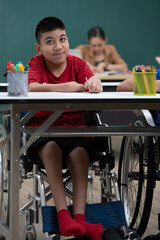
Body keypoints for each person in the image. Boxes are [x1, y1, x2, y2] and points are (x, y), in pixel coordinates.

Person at [27, 17, 104, 240]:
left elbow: (92, 81)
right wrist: (66, 87)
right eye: (50, 41)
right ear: (38, 47)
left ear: (68, 40)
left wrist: (95, 82)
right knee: (51, 148)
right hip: (43, 131)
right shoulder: (35, 63)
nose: (58, 46)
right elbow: (32, 87)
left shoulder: (78, 64)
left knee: (80, 154)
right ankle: (63, 215)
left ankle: (79, 218)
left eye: (62, 39)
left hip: (74, 131)